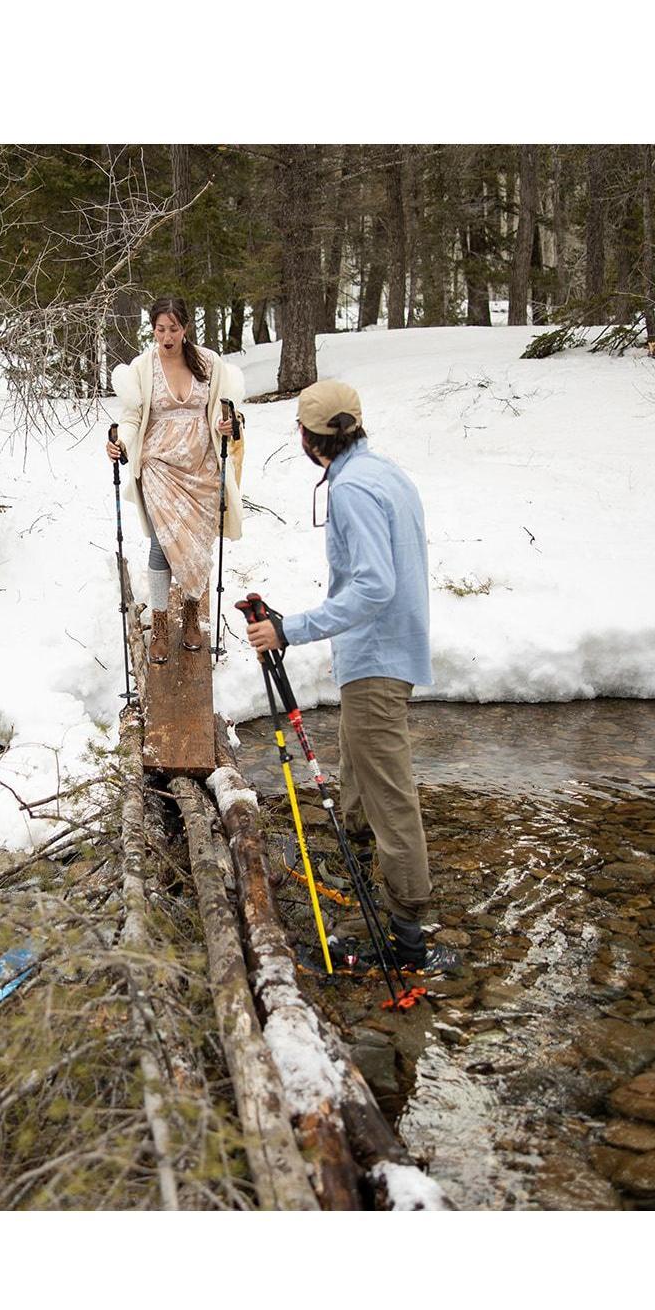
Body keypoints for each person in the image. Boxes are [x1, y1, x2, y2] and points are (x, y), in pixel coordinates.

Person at [246, 381, 459, 978]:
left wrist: (292, 629)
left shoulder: (353, 489)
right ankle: (368, 888)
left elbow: (374, 584)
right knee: (361, 781)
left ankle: (409, 941)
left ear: (309, 438)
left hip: (377, 659)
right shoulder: (387, 474)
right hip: (386, 654)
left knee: (391, 797)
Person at [107, 297, 245, 664]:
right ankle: (161, 622)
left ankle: (189, 616)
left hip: (201, 467)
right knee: (162, 545)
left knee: (197, 546)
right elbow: (133, 416)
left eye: (173, 328)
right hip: (159, 467)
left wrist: (229, 423)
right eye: (159, 329)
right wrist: (121, 440)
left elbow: (222, 408)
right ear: (152, 329)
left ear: (185, 328)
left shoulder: (209, 363)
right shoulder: (142, 368)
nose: (166, 336)